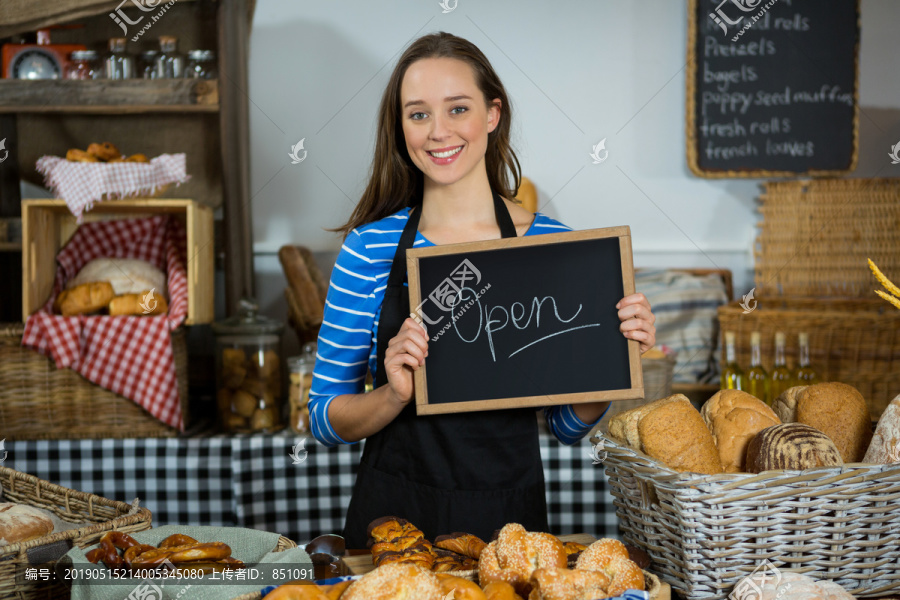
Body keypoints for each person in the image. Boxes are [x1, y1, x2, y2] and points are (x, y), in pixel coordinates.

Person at [308, 32, 656, 548]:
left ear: (492, 114)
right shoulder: (369, 249)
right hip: (392, 525)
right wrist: (392, 393)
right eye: (418, 114)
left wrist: (614, 357)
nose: (438, 131)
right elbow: (323, 416)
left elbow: (564, 424)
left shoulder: (550, 245)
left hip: (510, 527)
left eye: (458, 108)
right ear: (400, 126)